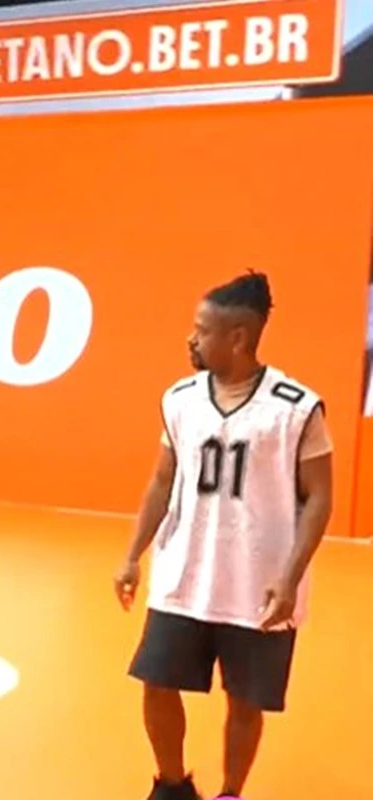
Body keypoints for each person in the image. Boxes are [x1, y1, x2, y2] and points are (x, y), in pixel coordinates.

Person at [114, 271, 334, 800]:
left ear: (237, 337)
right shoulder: (180, 399)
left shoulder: (296, 408)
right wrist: (132, 555)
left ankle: (231, 792)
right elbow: (162, 479)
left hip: (258, 584)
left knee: (245, 700)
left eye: (202, 330)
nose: (191, 338)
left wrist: (289, 578)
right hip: (184, 573)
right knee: (156, 682)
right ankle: (171, 785)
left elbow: (320, 498)